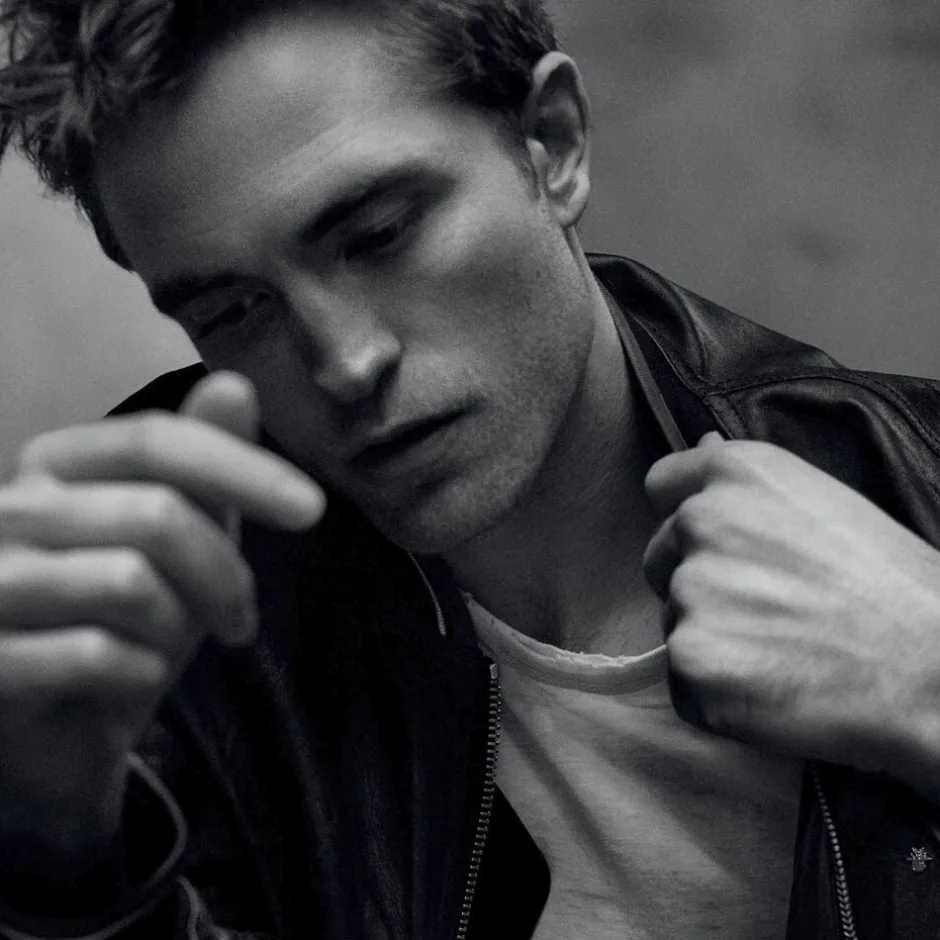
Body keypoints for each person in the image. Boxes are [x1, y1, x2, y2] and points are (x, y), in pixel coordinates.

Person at [0, 0, 939, 937]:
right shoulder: (159, 614)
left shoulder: (915, 484)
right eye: (232, 312)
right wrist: (52, 852)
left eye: (379, 235)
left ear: (553, 143)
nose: (345, 362)